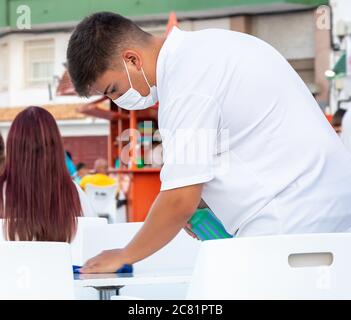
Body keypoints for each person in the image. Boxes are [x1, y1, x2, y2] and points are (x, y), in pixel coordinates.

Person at [66, 12, 351, 273]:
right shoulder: (213, 46)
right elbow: (244, 138)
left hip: (291, 221)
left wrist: (124, 255)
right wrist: (206, 202)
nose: (118, 101)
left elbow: (179, 200)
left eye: (113, 89)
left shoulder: (184, 86)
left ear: (132, 59)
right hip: (325, 207)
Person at [0, 106, 94, 242]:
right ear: (56, 148)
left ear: (13, 148)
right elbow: (93, 239)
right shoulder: (74, 193)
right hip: (62, 264)